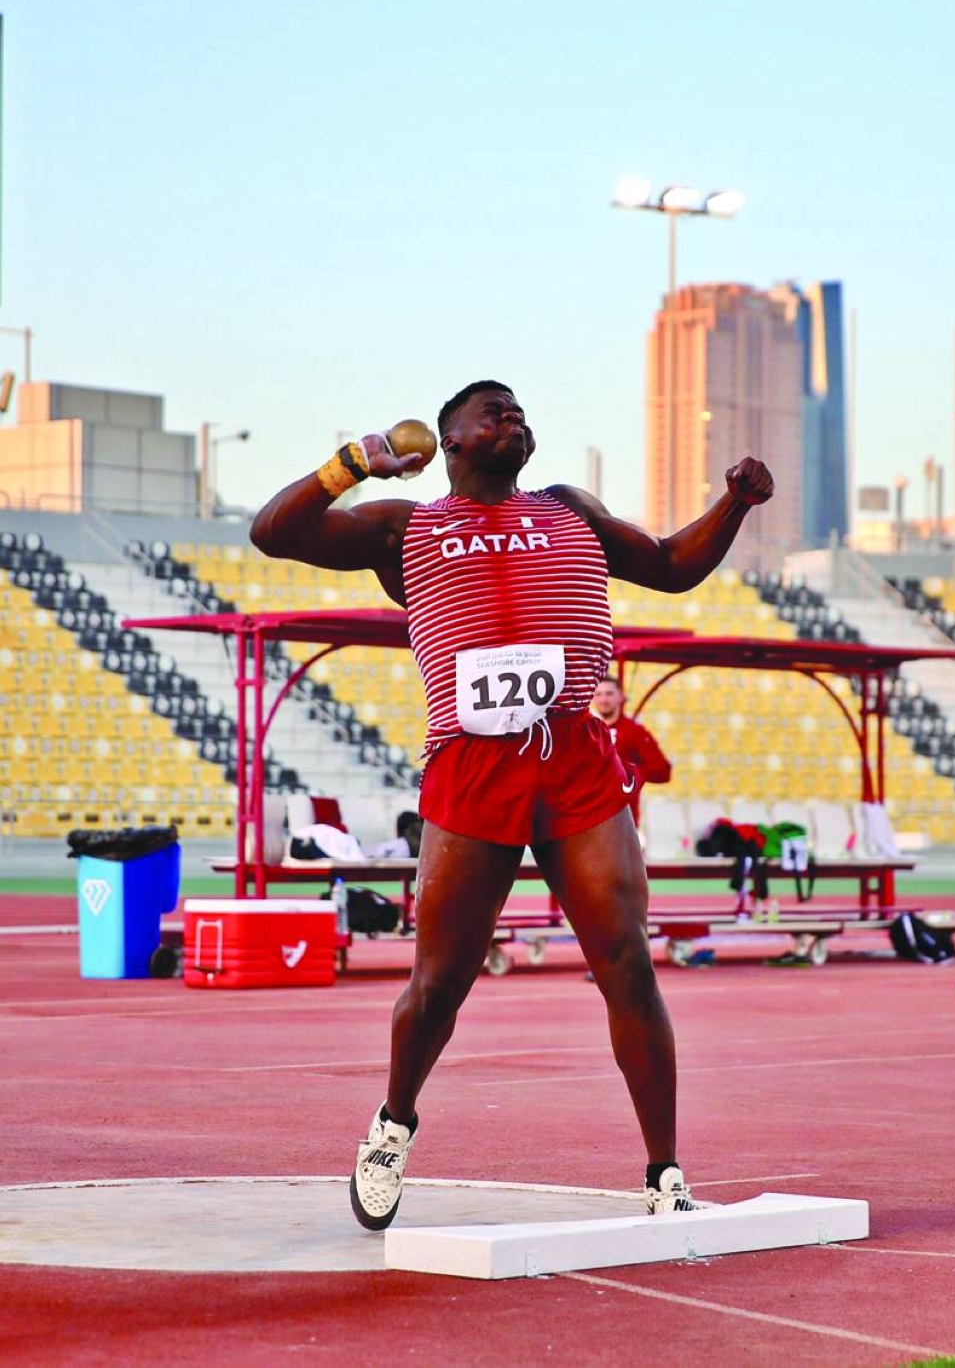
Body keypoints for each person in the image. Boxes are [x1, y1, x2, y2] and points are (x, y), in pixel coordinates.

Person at [250, 379, 774, 1230]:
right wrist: (354, 463)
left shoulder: (569, 509)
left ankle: (665, 1174)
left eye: (520, 410)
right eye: (492, 411)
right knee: (441, 982)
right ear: (449, 441)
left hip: (573, 756)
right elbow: (274, 534)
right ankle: (393, 1123)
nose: (512, 418)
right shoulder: (407, 526)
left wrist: (735, 505)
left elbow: (674, 568)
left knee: (628, 964)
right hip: (471, 763)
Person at [591, 676, 672, 826]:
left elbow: (663, 771)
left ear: (621, 697)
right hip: (587, 816)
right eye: (598, 694)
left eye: (609, 694)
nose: (603, 699)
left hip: (622, 819)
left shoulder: (634, 732)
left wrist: (629, 772)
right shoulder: (586, 732)